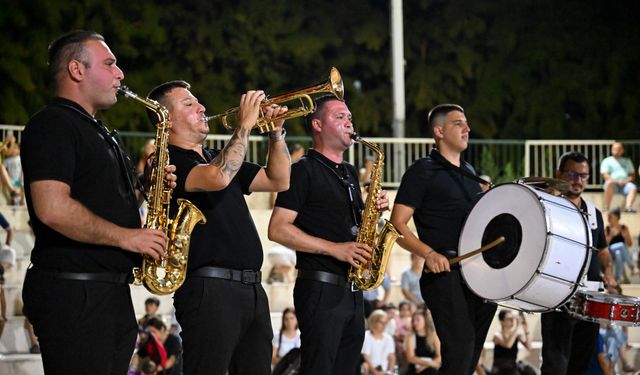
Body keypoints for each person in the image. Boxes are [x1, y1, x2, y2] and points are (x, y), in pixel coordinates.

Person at [20, 30, 174, 374]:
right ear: (76, 69)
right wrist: (127, 237)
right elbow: (52, 208)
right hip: (75, 293)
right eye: (110, 64)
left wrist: (147, 186)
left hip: (106, 293)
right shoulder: (52, 124)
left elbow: (106, 203)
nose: (120, 73)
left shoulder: (101, 131)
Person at [146, 80, 289, 374]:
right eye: (189, 104)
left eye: (198, 101)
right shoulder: (166, 161)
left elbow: (279, 180)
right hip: (209, 289)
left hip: (251, 288)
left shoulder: (213, 154)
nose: (202, 107)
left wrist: (276, 133)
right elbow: (218, 177)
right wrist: (245, 126)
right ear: (167, 120)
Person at [268, 94, 389, 375]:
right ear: (318, 125)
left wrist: (374, 211)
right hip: (321, 288)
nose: (349, 122)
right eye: (340, 117)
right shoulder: (302, 171)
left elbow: (350, 228)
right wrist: (335, 249)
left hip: (352, 291)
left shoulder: (347, 172)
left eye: (349, 117)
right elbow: (278, 228)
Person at [390, 104, 497, 374]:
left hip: (477, 272)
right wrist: (428, 254)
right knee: (461, 348)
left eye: (466, 122)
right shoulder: (422, 171)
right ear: (439, 131)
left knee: (469, 356)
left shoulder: (470, 172)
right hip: (444, 271)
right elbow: (397, 224)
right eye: (458, 123)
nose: (467, 128)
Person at [540, 151, 616, 374]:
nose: (578, 180)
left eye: (584, 176)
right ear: (559, 174)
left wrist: (609, 271)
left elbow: (603, 251)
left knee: (581, 363)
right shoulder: (548, 207)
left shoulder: (594, 212)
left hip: (590, 297)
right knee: (556, 363)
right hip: (557, 296)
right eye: (572, 174)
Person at [491, 310, 532, 375]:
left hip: (512, 368)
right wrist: (517, 327)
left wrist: (526, 331)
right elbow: (508, 345)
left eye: (512, 318)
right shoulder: (497, 335)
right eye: (509, 318)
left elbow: (529, 347)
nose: (512, 320)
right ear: (502, 322)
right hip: (499, 370)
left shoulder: (515, 335)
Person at [600, 142, 637, 212]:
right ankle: (606, 208)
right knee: (609, 184)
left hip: (625, 184)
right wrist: (617, 181)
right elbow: (605, 175)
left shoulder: (627, 161)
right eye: (614, 149)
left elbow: (632, 175)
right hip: (613, 183)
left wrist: (625, 181)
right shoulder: (607, 161)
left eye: (618, 149)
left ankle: (628, 208)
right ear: (611, 150)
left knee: (633, 187)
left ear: (622, 150)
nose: (616, 151)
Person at [404, 309, 440, 375]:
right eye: (413, 320)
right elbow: (411, 357)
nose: (415, 323)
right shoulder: (411, 336)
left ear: (425, 321)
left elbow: (439, 357)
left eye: (418, 320)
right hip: (415, 369)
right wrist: (429, 363)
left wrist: (425, 366)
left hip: (430, 369)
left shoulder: (434, 336)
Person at [361, 309, 396, 375]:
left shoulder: (388, 338)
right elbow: (366, 357)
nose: (384, 325)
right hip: (370, 370)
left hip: (385, 371)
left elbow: (392, 357)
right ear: (374, 322)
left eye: (385, 323)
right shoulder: (366, 336)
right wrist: (375, 372)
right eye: (381, 322)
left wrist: (389, 372)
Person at [605, 208, 635, 283]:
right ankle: (632, 266)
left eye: (610, 216)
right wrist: (611, 236)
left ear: (616, 217)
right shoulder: (607, 229)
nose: (608, 218)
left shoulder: (624, 228)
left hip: (620, 253)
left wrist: (626, 236)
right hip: (610, 252)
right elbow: (604, 245)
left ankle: (617, 278)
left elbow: (630, 244)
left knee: (619, 253)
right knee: (621, 245)